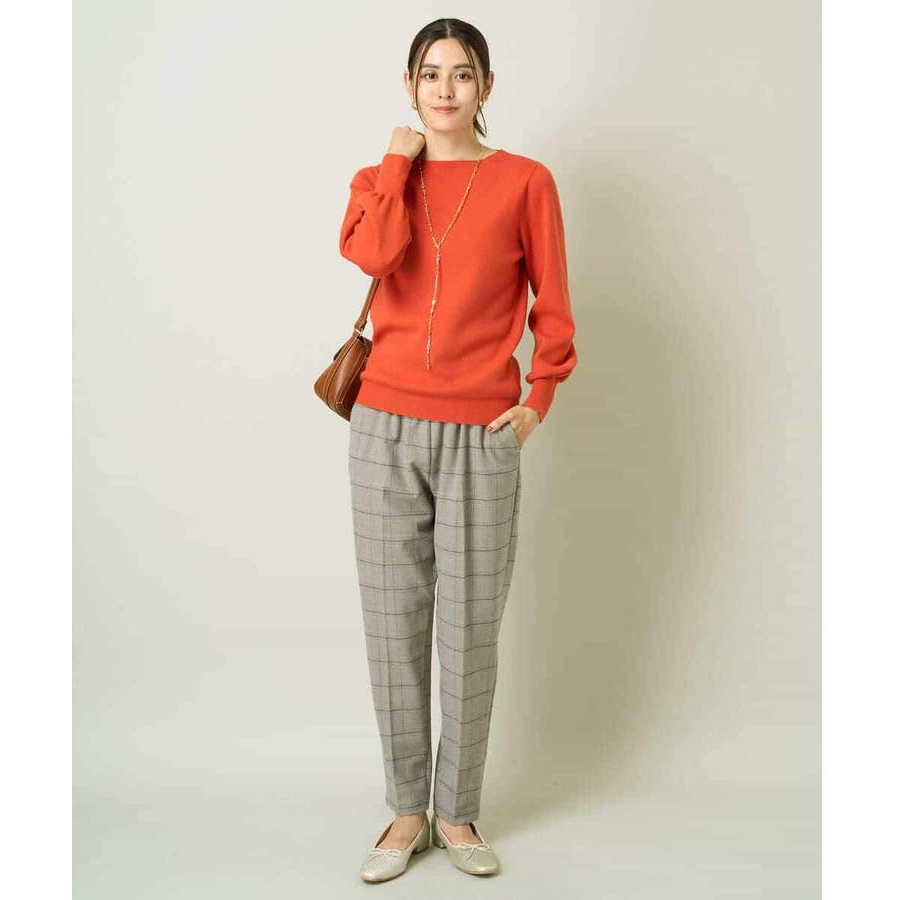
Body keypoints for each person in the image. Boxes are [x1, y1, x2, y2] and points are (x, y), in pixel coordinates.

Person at [338, 17, 578, 883]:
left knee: (471, 627)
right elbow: (373, 253)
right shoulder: (379, 180)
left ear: (486, 86)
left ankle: (457, 811)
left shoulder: (525, 181)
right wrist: (396, 163)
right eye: (430, 73)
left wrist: (536, 402)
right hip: (383, 426)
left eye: (462, 73)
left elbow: (554, 303)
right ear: (410, 86)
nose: (445, 88)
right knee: (393, 623)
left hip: (481, 432)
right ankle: (407, 810)